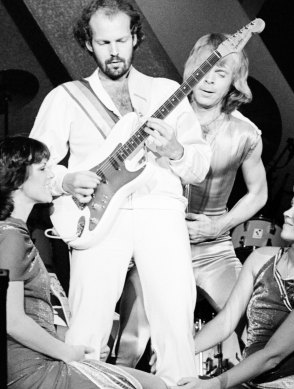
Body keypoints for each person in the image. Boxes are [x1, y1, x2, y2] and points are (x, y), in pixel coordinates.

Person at [29, 0, 211, 385]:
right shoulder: (66, 97)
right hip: (94, 215)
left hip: (159, 209)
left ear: (135, 38)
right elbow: (33, 165)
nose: (114, 51)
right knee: (88, 324)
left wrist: (175, 150)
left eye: (122, 40)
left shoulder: (166, 92)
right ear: (88, 44)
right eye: (103, 42)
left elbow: (199, 165)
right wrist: (65, 181)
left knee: (175, 320)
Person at [115, 33, 267, 369]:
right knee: (131, 341)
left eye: (221, 73)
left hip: (214, 248)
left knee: (253, 326)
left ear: (233, 83)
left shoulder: (246, 134)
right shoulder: (159, 118)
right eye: (204, 68)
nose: (210, 80)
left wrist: (219, 225)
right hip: (158, 242)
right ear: (192, 70)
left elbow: (259, 193)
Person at [0, 136, 167, 389]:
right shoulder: (9, 237)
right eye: (42, 169)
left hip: (28, 363)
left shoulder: (0, 232)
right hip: (31, 371)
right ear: (16, 178)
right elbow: (12, 319)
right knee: (155, 386)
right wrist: (66, 352)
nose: (50, 176)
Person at [176, 181, 294, 388]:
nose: (287, 213)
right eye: (291, 205)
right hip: (259, 381)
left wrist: (215, 384)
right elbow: (226, 321)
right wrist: (179, 353)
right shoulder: (261, 258)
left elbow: (271, 355)